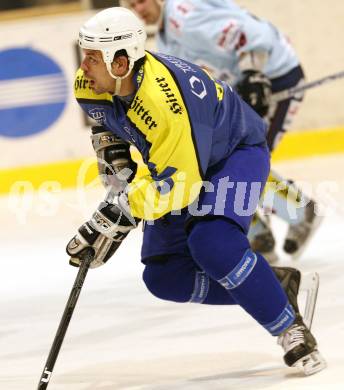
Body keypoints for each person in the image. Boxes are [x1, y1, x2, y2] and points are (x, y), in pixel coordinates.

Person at [67, 7, 326, 375]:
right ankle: (274, 285)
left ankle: (289, 326)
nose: (83, 65)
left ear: (121, 62)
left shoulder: (162, 102)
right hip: (182, 162)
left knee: (213, 244)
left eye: (93, 57)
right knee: (164, 276)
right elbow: (106, 130)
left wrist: (121, 213)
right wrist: (115, 168)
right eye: (85, 53)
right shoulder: (90, 82)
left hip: (233, 154)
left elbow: (180, 187)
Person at [128, 0, 322, 263]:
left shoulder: (185, 20)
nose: (139, 9)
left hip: (275, 77)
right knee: (220, 161)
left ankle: (298, 211)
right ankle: (259, 232)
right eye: (131, 5)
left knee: (244, 159)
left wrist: (254, 74)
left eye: (141, 1)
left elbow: (254, 34)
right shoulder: (166, 39)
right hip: (243, 89)